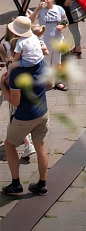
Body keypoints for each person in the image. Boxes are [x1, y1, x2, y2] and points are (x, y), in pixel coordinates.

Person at [1, 16, 49, 196]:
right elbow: (50, 84)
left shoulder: (17, 74)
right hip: (42, 112)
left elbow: (14, 101)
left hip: (25, 117)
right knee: (41, 146)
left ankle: (15, 184)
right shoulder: (40, 63)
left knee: (9, 144)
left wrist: (1, 86)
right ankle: (42, 184)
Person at [29, 0, 68, 73]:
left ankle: (58, 80)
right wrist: (37, 9)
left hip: (57, 39)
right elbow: (30, 21)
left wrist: (62, 26)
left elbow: (65, 21)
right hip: (45, 40)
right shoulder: (40, 11)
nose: (45, 1)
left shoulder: (59, 9)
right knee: (46, 62)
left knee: (57, 61)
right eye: (43, 0)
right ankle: (47, 81)